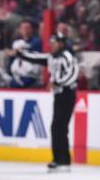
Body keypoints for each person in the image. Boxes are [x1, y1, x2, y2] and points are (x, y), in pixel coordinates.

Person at [16, 33, 79, 172]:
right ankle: (59, 159)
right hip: (58, 94)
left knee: (60, 126)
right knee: (57, 127)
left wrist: (56, 82)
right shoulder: (51, 57)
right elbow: (36, 57)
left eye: (55, 42)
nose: (52, 44)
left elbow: (73, 74)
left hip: (67, 93)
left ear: (61, 43)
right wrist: (21, 54)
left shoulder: (67, 56)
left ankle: (62, 160)